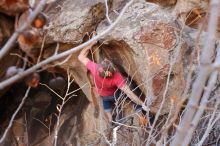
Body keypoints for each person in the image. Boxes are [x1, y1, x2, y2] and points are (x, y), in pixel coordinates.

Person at [78, 41, 148, 122]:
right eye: (106, 61)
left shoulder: (95, 69)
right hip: (115, 95)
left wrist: (90, 44)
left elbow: (81, 57)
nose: (105, 59)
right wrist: (142, 104)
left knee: (106, 106)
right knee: (132, 95)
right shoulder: (116, 77)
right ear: (113, 70)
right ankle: (140, 115)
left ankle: (111, 120)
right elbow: (129, 93)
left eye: (104, 61)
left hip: (103, 95)